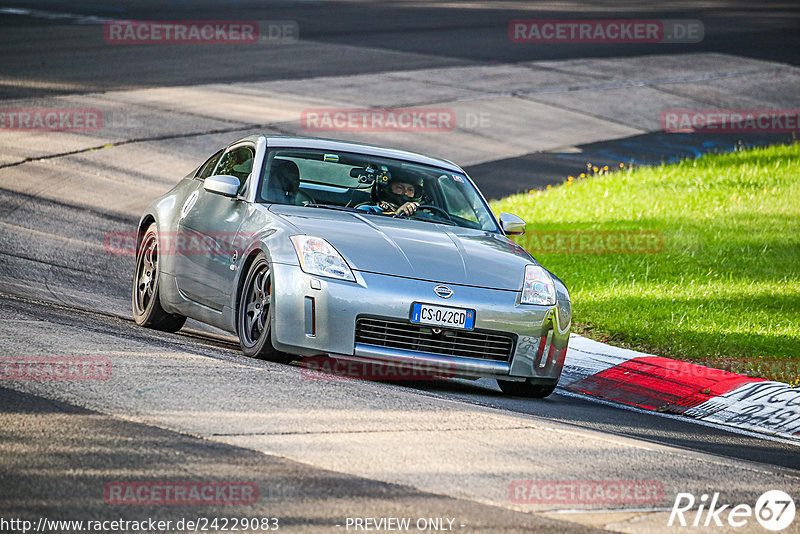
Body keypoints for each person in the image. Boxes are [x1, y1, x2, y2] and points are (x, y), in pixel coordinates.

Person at [358, 173, 424, 217]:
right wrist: (397, 214)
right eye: (400, 188)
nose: (405, 193)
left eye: (410, 190)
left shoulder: (422, 216)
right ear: (387, 188)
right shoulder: (368, 210)